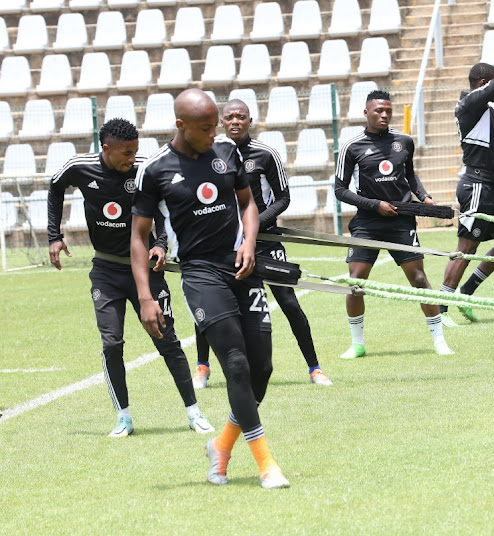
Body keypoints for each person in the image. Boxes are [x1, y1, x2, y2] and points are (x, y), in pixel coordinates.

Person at [131, 89, 289, 489]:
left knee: (261, 370)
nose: (212, 133)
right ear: (180, 125)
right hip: (201, 275)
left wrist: (250, 242)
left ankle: (221, 445)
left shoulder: (226, 154)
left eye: (213, 125)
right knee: (234, 363)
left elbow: (248, 203)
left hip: (241, 266)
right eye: (204, 128)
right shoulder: (155, 169)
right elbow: (138, 235)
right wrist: (146, 297)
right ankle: (267, 465)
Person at [47, 118, 213, 438]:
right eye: (126, 153)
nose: (132, 158)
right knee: (112, 344)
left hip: (146, 271)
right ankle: (123, 417)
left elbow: (163, 208)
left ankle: (194, 412)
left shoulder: (143, 170)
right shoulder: (79, 167)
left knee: (166, 339)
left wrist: (161, 244)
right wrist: (55, 235)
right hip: (106, 271)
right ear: (105, 149)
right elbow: (55, 186)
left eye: (136, 151)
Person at [190, 99, 332, 389]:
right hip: (225, 245)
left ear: (250, 121)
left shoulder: (265, 154)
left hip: (266, 241)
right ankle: (202, 367)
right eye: (229, 117)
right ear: (221, 122)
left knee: (290, 303)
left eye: (240, 117)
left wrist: (253, 227)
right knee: (210, 301)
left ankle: (314, 368)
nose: (235, 121)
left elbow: (283, 198)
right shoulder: (209, 154)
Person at [335, 90, 453, 358]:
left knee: (419, 278)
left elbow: (410, 174)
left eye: (388, 110)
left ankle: (439, 340)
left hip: (402, 221)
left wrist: (424, 196)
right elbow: (340, 190)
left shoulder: (404, 141)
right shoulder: (351, 147)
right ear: (366, 113)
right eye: (378, 111)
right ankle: (357, 344)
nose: (384, 115)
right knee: (356, 282)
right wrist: (374, 205)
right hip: (366, 222)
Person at [438, 10, 494, 327]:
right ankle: (441, 309)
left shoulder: (484, 112)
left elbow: (491, 155)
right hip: (475, 188)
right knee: (466, 247)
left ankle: (467, 292)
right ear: (483, 83)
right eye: (493, 84)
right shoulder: (471, 103)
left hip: (489, 186)